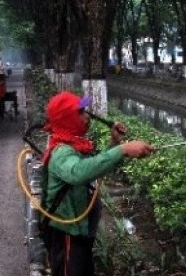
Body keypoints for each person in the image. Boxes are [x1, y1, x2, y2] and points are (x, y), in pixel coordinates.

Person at [41, 91, 154, 276]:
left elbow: (92, 168)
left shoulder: (74, 144)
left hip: (80, 232)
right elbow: (78, 173)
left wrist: (114, 144)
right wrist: (123, 149)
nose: (87, 116)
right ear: (67, 119)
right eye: (81, 112)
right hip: (68, 234)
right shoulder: (61, 152)